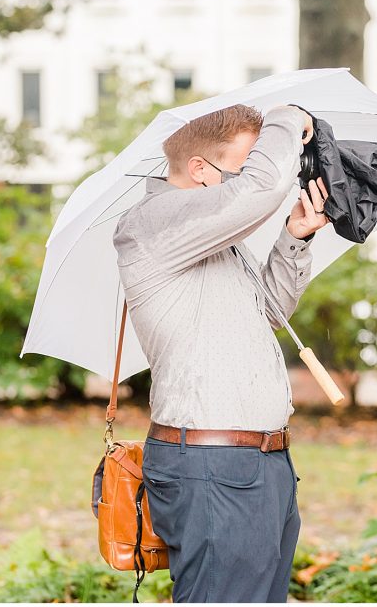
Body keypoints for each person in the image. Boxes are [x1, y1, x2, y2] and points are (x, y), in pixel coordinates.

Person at [111, 103, 328, 602]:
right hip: (213, 465)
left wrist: (295, 239)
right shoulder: (152, 222)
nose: (255, 174)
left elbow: (268, 314)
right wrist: (288, 119)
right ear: (202, 171)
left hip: (264, 462)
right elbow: (262, 190)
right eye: (245, 165)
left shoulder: (220, 240)